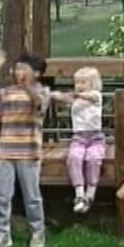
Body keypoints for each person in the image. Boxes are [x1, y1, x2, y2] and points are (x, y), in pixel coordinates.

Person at [0, 54, 50, 247]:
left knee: (32, 197)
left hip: (29, 152)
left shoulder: (42, 91)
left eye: (23, 68)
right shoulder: (6, 92)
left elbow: (38, 105)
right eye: (17, 68)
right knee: (2, 195)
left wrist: (27, 88)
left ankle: (38, 232)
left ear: (37, 73)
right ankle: (2, 234)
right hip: (6, 151)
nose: (18, 72)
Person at [51, 67, 105, 213]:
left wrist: (74, 95)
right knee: (74, 158)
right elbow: (65, 98)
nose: (79, 85)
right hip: (79, 138)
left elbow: (88, 96)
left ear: (93, 84)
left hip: (95, 138)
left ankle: (90, 194)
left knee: (94, 159)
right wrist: (55, 95)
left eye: (83, 82)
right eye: (77, 82)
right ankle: (79, 194)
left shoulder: (96, 96)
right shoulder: (76, 99)